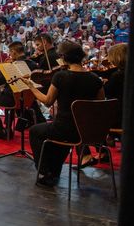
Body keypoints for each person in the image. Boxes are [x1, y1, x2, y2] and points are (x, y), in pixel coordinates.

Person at [23, 41, 104, 187]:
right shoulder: (95, 79)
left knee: (36, 131)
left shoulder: (61, 76)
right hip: (86, 132)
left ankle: (45, 171)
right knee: (58, 134)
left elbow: (47, 101)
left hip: (64, 129)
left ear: (64, 58)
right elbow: (100, 106)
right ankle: (53, 172)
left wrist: (31, 87)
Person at [0, 41, 37, 139]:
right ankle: (8, 128)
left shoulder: (11, 66)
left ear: (14, 52)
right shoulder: (33, 64)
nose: (9, 55)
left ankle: (1, 130)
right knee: (10, 95)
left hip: (12, 100)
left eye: (10, 52)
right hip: (28, 100)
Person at [104, 43, 126, 129]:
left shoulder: (117, 75)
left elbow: (107, 92)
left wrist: (104, 83)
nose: (109, 60)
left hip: (119, 116)